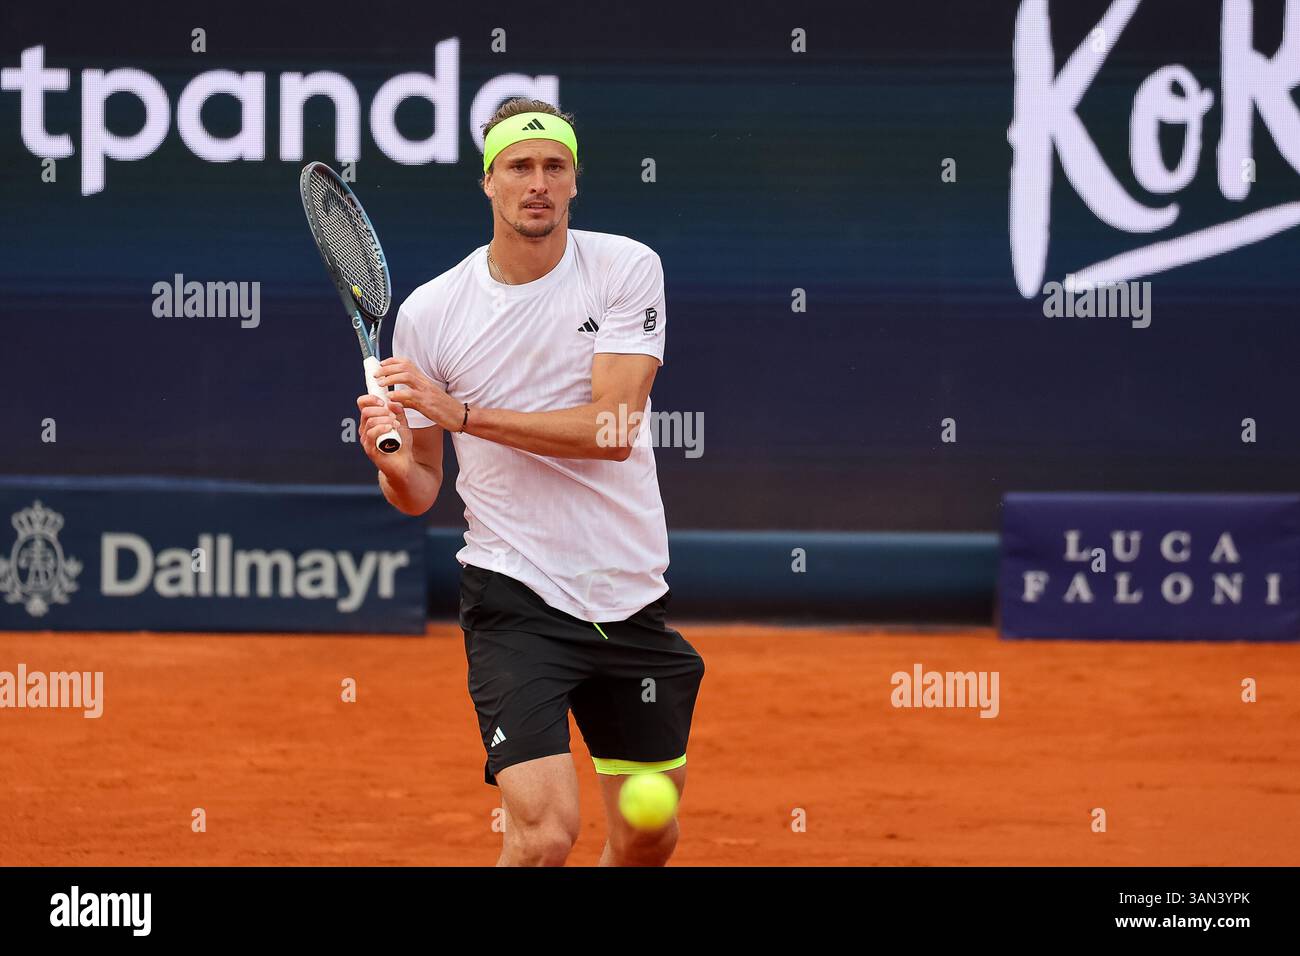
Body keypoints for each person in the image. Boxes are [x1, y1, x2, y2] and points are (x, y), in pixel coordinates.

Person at [356, 97, 705, 866]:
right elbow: (418, 490)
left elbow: (612, 432)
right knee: (545, 836)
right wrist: (392, 464)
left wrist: (464, 413)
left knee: (648, 835)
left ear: (575, 181)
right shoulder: (431, 313)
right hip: (515, 594)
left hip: (629, 591)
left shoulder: (625, 268)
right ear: (489, 182)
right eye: (519, 166)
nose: (537, 182)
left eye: (555, 166)